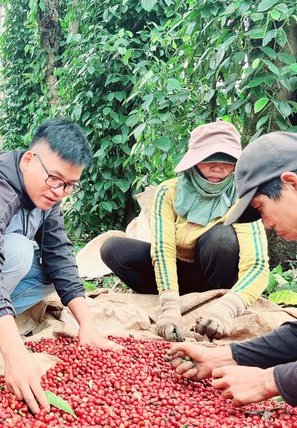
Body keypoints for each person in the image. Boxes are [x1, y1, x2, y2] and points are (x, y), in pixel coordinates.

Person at [0, 118, 121, 415]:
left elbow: (60, 255)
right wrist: (14, 353)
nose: (59, 191)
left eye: (69, 185)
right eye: (55, 179)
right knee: (17, 250)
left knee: (50, 274)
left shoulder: (49, 195)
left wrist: (87, 326)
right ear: (29, 160)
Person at [168, 131, 297, 407]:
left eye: (261, 208)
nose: (267, 224)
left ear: (293, 185)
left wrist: (268, 381)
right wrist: (225, 356)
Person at [100, 121, 270, 341]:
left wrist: (228, 307)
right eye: (209, 160)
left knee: (222, 237)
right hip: (178, 274)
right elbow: (163, 250)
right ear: (194, 161)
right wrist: (170, 306)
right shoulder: (168, 192)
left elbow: (256, 263)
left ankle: (211, 309)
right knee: (113, 248)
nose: (218, 168)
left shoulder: (242, 196)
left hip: (216, 274)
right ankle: (173, 301)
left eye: (227, 162)